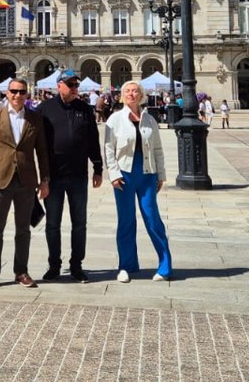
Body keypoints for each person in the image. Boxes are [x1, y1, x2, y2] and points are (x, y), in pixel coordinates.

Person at [0, 78, 50, 290]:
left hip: (27, 180)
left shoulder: (35, 119)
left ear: (27, 95)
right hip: (1, 178)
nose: (17, 95)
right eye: (13, 91)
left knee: (23, 229)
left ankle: (21, 271)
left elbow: (42, 152)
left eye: (21, 92)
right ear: (7, 94)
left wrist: (44, 180)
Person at [38, 69, 103, 282]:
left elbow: (93, 139)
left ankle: (76, 265)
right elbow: (37, 145)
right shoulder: (44, 109)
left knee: (80, 223)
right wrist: (41, 177)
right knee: (53, 224)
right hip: (53, 177)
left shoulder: (84, 109)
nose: (75, 88)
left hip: (78, 176)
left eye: (76, 85)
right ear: (59, 86)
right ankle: (54, 265)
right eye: (70, 85)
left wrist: (98, 167)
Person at [104, 80, 172, 282]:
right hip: (124, 173)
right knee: (126, 220)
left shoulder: (150, 119)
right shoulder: (115, 119)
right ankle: (126, 266)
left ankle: (165, 266)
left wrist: (161, 175)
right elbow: (108, 149)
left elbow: (158, 149)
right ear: (122, 95)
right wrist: (114, 174)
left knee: (153, 219)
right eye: (127, 91)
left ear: (141, 95)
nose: (131, 94)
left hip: (147, 172)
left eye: (135, 91)